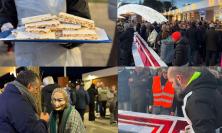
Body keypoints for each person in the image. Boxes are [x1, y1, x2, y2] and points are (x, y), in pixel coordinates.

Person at [0, 0, 90, 66]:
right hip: (27, 53)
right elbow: (6, 13)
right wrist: (5, 23)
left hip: (63, 57)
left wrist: (65, 36)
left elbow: (83, 21)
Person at [167, 67, 222, 133]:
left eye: (172, 82)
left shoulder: (195, 99)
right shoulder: (205, 87)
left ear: (179, 78)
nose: (172, 86)